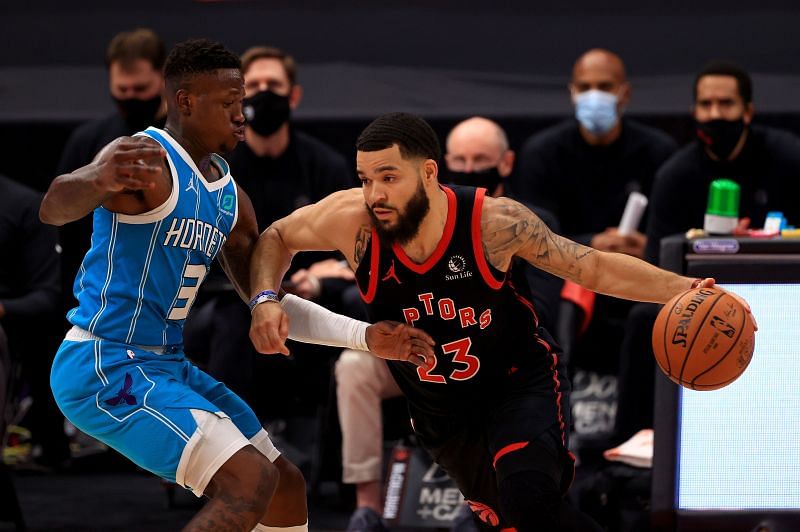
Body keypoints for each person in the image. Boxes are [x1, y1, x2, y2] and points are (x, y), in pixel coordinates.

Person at [249, 112, 744, 530]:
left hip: (516, 381)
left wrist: (679, 288)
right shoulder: (350, 219)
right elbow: (274, 237)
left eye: (388, 177)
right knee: (516, 518)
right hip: (442, 410)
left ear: (427, 173)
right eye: (365, 178)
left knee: (527, 497)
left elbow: (591, 266)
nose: (374, 193)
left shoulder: (493, 222)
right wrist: (267, 297)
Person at [40, 40, 433, 532]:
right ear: (186, 102)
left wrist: (365, 337)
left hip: (166, 365)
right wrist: (96, 179)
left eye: (241, 101)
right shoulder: (143, 158)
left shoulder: (228, 195)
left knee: (282, 483)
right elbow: (53, 206)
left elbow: (267, 302)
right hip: (105, 362)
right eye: (229, 104)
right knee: (246, 482)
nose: (242, 115)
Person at [336, 116, 565, 531]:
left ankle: (477, 495)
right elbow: (363, 294)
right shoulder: (403, 216)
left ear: (506, 162)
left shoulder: (519, 221)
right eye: (459, 158)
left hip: (487, 354)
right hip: (417, 354)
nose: (469, 167)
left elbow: (546, 308)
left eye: (480, 159)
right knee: (352, 368)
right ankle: (366, 505)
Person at [614, 61, 800, 442]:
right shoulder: (675, 175)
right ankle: (633, 443)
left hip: (783, 287)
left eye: (726, 104)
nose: (715, 114)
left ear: (747, 111)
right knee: (640, 320)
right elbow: (654, 263)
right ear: (694, 111)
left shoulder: (788, 157)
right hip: (700, 294)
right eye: (706, 105)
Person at [508, 50, 677, 453]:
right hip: (568, 279)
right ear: (571, 92)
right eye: (585, 88)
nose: (594, 96)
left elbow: (674, 230)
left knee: (647, 315)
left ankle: (639, 440)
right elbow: (531, 233)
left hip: (636, 278)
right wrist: (589, 245)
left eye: (605, 87)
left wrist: (644, 246)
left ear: (625, 94)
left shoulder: (659, 152)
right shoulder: (543, 152)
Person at [185, 45, 355, 411]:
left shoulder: (326, 166)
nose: (263, 94)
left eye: (273, 85)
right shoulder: (214, 169)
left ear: (293, 96)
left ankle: (310, 444)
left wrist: (324, 276)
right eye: (253, 86)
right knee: (233, 318)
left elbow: (355, 252)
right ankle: (234, 439)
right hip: (223, 301)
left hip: (308, 294)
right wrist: (261, 292)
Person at [56, 28, 168, 317]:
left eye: (141, 89)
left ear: (163, 79)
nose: (132, 97)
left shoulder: (184, 139)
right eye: (122, 90)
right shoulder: (88, 140)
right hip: (102, 287)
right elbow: (67, 225)